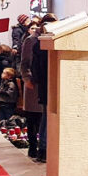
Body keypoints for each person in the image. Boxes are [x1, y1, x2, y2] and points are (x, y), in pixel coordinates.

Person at [21, 14, 55, 160]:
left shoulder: (52, 39)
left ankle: (41, 148)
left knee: (43, 117)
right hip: (33, 84)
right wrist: (28, 79)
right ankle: (33, 147)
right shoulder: (32, 40)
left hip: (46, 82)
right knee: (33, 118)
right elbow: (25, 63)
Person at [31, 13, 59, 162]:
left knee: (46, 118)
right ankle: (43, 149)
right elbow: (35, 68)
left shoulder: (40, 43)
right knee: (47, 118)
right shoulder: (41, 43)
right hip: (49, 85)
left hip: (49, 84)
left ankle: (44, 150)